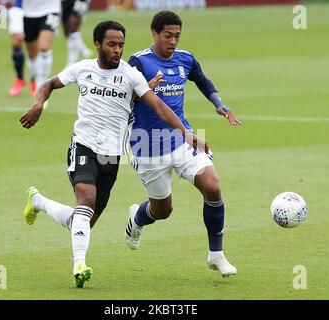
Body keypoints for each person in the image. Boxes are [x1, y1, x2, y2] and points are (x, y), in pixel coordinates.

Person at [19, 20, 208, 288]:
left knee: (81, 220)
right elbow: (48, 84)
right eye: (112, 44)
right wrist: (38, 105)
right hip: (83, 146)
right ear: (98, 44)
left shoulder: (131, 75)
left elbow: (159, 106)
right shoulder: (83, 68)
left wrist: (186, 133)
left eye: (121, 44)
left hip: (111, 156)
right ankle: (80, 266)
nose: (118, 49)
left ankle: (37, 200)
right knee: (86, 199)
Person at [124, 11, 242, 278]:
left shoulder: (185, 58)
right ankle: (137, 218)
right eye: (168, 35)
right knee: (162, 211)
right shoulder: (138, 62)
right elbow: (122, 100)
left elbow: (201, 79)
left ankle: (216, 254)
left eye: (177, 35)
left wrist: (218, 103)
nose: (173, 41)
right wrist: (141, 92)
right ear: (154, 33)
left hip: (183, 138)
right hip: (149, 146)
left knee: (212, 187)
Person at [23, 0, 61, 97]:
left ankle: (43, 83)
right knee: (32, 53)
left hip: (51, 9)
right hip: (29, 12)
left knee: (44, 47)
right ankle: (36, 76)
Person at [61, 0, 92, 67]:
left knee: (73, 27)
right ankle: (83, 50)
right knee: (67, 31)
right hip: (64, 2)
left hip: (80, 1)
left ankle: (72, 61)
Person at [8, 0, 26, 96]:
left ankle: (35, 80)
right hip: (19, 8)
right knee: (16, 42)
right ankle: (20, 79)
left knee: (35, 47)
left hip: (39, 10)